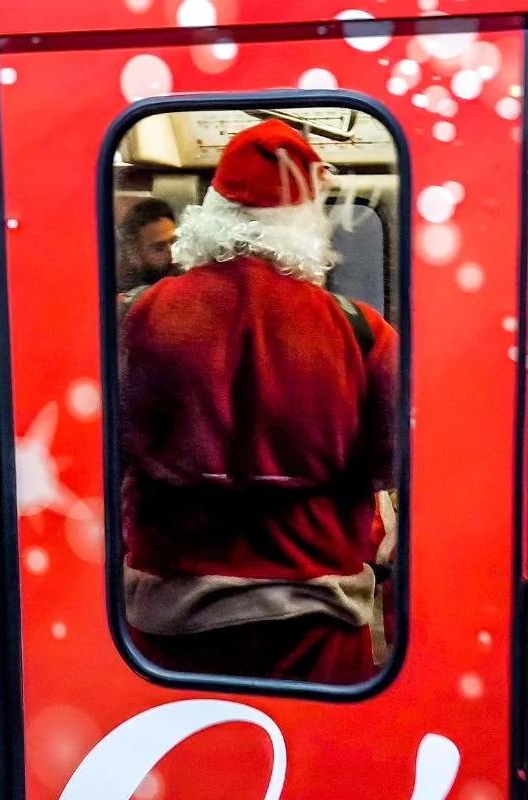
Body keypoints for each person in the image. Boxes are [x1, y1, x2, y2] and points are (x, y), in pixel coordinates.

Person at [120, 119, 398, 685]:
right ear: (304, 225)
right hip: (317, 621)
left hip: (164, 628)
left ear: (212, 214)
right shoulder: (363, 332)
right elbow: (392, 463)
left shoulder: (131, 318)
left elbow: (101, 453)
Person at [116, 197, 179, 304]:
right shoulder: (125, 303)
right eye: (159, 248)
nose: (173, 253)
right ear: (136, 253)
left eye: (175, 242)